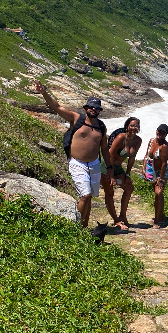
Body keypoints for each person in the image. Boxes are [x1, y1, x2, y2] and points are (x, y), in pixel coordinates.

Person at [34, 81, 114, 227]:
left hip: (95, 164)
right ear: (86, 108)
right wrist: (44, 92)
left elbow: (104, 149)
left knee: (90, 197)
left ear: (99, 110)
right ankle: (73, 229)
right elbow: (57, 107)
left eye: (96, 108)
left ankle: (83, 228)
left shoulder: (101, 126)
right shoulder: (77, 119)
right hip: (77, 163)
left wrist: (109, 168)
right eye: (90, 107)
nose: (93, 109)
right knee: (85, 195)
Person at [100, 117, 142, 230]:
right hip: (107, 166)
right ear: (127, 126)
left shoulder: (138, 140)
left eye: (136, 126)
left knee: (129, 188)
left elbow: (132, 159)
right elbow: (110, 156)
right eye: (132, 125)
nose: (134, 128)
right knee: (109, 193)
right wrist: (111, 175)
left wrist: (127, 175)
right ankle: (116, 220)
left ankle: (122, 215)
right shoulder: (120, 137)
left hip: (118, 167)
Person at [142, 124, 168, 228]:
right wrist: (143, 168)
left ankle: (158, 220)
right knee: (156, 193)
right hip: (151, 169)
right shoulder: (151, 141)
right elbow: (146, 155)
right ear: (156, 130)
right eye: (159, 131)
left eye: (163, 133)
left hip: (161, 171)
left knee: (159, 192)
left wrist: (161, 179)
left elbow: (164, 164)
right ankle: (159, 215)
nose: (160, 134)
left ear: (166, 135)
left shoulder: (164, 147)